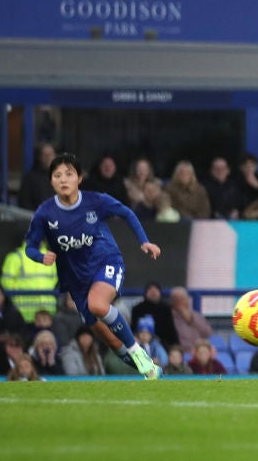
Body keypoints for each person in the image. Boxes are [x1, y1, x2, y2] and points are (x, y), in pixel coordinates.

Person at [23, 153, 162, 380]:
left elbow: (126, 212)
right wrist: (41, 257)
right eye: (57, 175)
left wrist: (143, 240)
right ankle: (150, 369)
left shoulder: (96, 201)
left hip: (105, 261)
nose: (63, 179)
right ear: (51, 181)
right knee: (111, 340)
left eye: (69, 174)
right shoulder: (45, 213)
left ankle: (139, 353)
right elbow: (30, 247)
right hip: (76, 282)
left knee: (98, 305)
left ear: (79, 178)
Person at [0, 232, 58, 322]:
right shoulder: (16, 257)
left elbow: (54, 280)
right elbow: (6, 283)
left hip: (47, 311)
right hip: (23, 312)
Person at [131, 281, 179, 349]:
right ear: (146, 292)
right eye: (150, 290)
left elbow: (171, 330)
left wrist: (175, 346)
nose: (153, 292)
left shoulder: (166, 309)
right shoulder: (137, 309)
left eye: (156, 290)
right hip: (140, 344)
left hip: (163, 345)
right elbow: (134, 329)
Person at [169, 286, 213, 353]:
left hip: (197, 353)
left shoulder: (197, 316)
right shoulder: (168, 317)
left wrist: (192, 320)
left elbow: (208, 333)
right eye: (177, 299)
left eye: (182, 299)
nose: (179, 302)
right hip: (178, 354)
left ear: (187, 300)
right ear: (172, 301)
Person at [18, 142, 56, 210]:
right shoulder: (30, 179)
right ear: (40, 157)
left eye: (50, 155)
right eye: (45, 155)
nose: (48, 158)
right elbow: (25, 203)